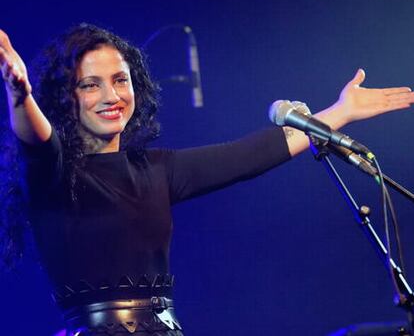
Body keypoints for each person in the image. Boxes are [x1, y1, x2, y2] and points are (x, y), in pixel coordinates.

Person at [1, 23, 413, 336]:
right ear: (64, 97)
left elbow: (248, 156)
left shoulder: (156, 169)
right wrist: (21, 95)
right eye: (90, 85)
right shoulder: (55, 176)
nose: (111, 96)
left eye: (120, 80)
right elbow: (40, 142)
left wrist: (339, 113)